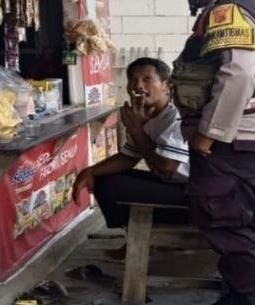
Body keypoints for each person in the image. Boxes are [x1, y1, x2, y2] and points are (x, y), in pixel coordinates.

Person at [155, 0, 255, 305]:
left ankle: (247, 298)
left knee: (224, 218)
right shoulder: (248, 5)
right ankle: (246, 290)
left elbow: (238, 75)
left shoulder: (226, 11)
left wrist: (208, 135)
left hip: (235, 137)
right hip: (250, 135)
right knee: (242, 217)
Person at [73, 57, 189, 228]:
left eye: (147, 79)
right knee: (103, 178)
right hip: (169, 183)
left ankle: (149, 233)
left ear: (167, 85)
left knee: (112, 186)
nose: (138, 85)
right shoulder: (145, 115)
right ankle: (133, 235)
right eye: (133, 80)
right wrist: (89, 171)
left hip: (191, 192)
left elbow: (167, 166)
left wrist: (136, 129)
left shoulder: (177, 116)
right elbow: (129, 157)